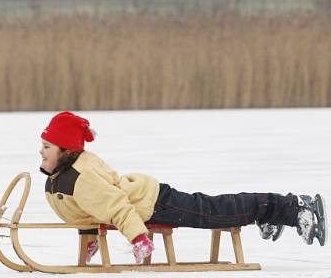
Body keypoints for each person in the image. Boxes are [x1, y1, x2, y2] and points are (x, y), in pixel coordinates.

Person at [39, 111, 326, 264]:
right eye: (42, 145)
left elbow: (115, 207)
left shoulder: (79, 176)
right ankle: (270, 212)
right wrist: (91, 242)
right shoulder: (61, 176)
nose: (41, 152)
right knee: (215, 210)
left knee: (216, 213)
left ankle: (292, 207)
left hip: (154, 203)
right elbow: (89, 212)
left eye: (47, 146)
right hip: (149, 199)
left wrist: (140, 239)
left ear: (65, 150)